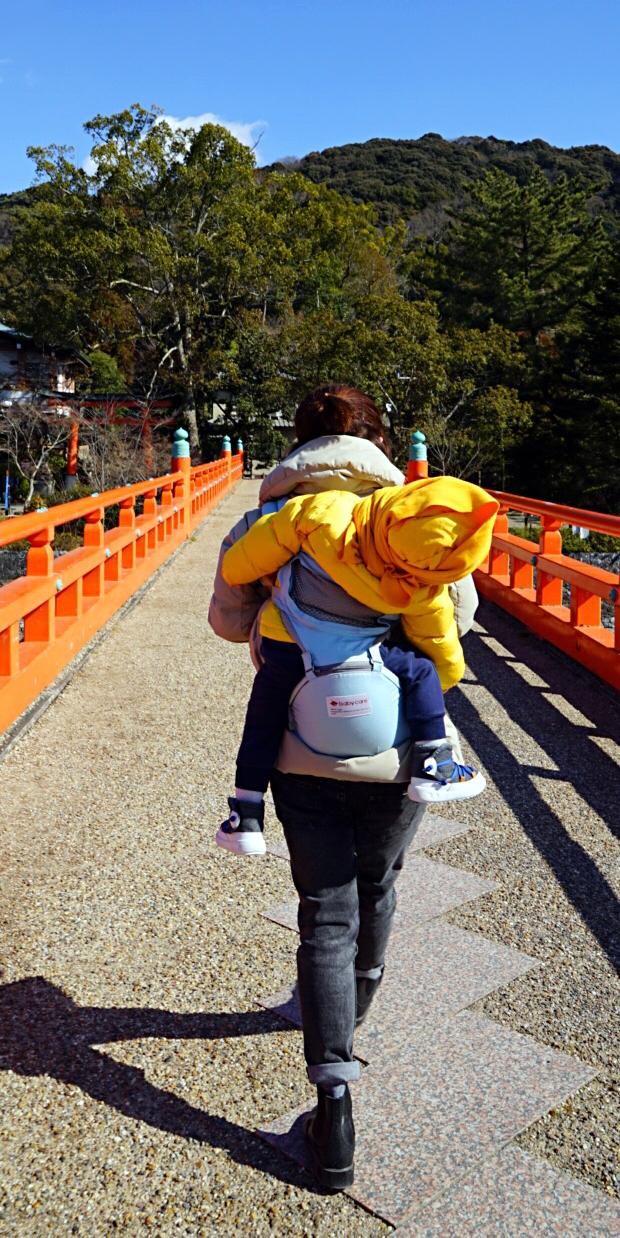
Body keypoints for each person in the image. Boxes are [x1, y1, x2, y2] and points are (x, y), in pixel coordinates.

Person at [206, 385, 492, 1190]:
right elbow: (461, 612)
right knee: (381, 883)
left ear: (297, 442)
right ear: (379, 442)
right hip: (400, 745)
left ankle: (332, 1108)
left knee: (322, 912)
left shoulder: (267, 521)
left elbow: (228, 621)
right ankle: (354, 1007)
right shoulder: (406, 511)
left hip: (301, 745)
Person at [214, 471, 494, 856]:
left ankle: (245, 813)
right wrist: (441, 682)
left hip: (290, 639)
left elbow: (257, 549)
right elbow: (440, 647)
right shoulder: (417, 584)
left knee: (263, 717)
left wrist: (239, 570)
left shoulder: (325, 509)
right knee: (424, 671)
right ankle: (434, 760)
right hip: (369, 651)